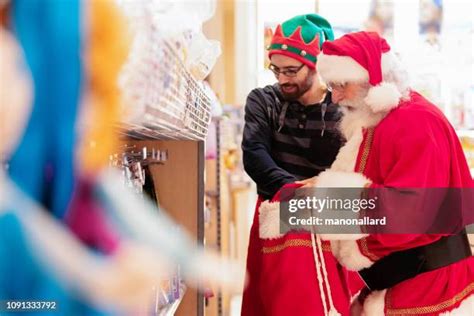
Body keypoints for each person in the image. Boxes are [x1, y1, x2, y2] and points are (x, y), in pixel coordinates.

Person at [312, 31, 474, 315]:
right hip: (402, 276)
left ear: (373, 78)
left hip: (427, 283)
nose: (335, 97)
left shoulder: (414, 121)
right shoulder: (384, 117)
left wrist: (315, 206)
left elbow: (408, 210)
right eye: (331, 86)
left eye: (341, 85)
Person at [241, 14, 359, 316]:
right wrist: (295, 193)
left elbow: (355, 165)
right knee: (273, 303)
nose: (281, 79)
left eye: (291, 70)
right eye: (275, 69)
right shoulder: (263, 100)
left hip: (331, 216)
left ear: (316, 65)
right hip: (277, 214)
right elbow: (255, 154)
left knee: (331, 303)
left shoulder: (342, 107)